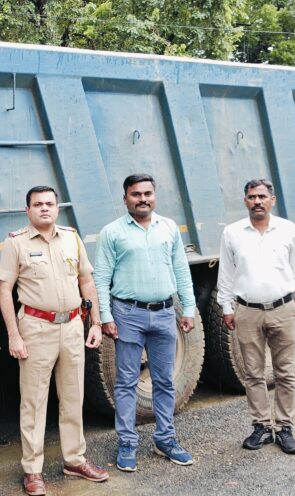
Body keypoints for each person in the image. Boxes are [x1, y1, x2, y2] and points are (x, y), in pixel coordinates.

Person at [0, 185, 109, 496]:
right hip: (35, 328)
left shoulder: (72, 238)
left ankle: (74, 460)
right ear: (28, 210)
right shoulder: (16, 243)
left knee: (73, 397)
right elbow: (5, 290)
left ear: (57, 208)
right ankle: (32, 470)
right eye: (37, 204)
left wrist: (95, 322)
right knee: (34, 402)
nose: (44, 208)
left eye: (49, 203)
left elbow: (86, 279)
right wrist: (14, 335)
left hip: (73, 325)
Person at [93, 173, 196, 472]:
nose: (142, 199)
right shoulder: (112, 232)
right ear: (125, 199)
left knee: (164, 381)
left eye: (147, 193)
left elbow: (181, 269)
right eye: (135, 194)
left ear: (155, 195)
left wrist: (187, 308)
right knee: (126, 383)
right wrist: (106, 316)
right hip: (128, 314)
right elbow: (101, 277)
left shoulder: (169, 228)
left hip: (165, 313)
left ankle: (165, 439)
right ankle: (127, 443)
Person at [217, 178, 295, 454]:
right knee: (253, 373)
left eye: (261, 197)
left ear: (272, 200)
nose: (257, 201)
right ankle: (261, 427)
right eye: (251, 197)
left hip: (284, 309)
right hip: (247, 311)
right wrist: (227, 308)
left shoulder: (288, 230)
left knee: (286, 373)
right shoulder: (233, 233)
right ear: (245, 201)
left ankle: (284, 429)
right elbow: (226, 275)